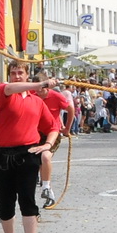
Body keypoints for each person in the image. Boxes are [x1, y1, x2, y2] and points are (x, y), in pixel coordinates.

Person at [0, 64, 62, 233]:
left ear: (26, 75)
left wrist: (47, 145)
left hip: (27, 154)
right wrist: (42, 83)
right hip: (2, 155)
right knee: (5, 203)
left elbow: (52, 127)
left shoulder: (37, 102)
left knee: (27, 202)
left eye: (20, 73)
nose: (16, 76)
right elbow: (11, 88)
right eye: (13, 73)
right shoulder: (4, 91)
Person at [36, 80, 75, 208]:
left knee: (45, 156)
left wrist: (67, 128)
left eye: (42, 88)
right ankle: (47, 192)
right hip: (35, 133)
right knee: (37, 162)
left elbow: (71, 109)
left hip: (52, 133)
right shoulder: (31, 94)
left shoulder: (56, 96)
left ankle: (46, 188)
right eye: (37, 88)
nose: (39, 91)